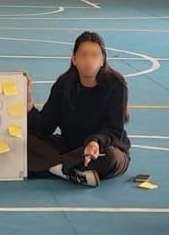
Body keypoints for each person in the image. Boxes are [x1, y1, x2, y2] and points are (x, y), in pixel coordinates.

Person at [27, 31, 131, 187]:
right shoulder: (64, 84)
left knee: (111, 158)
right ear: (74, 59)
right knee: (25, 141)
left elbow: (114, 130)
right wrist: (28, 103)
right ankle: (68, 171)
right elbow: (44, 127)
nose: (89, 61)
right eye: (83, 55)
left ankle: (54, 166)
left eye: (95, 55)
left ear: (102, 60)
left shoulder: (116, 85)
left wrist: (95, 142)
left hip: (102, 148)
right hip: (71, 147)